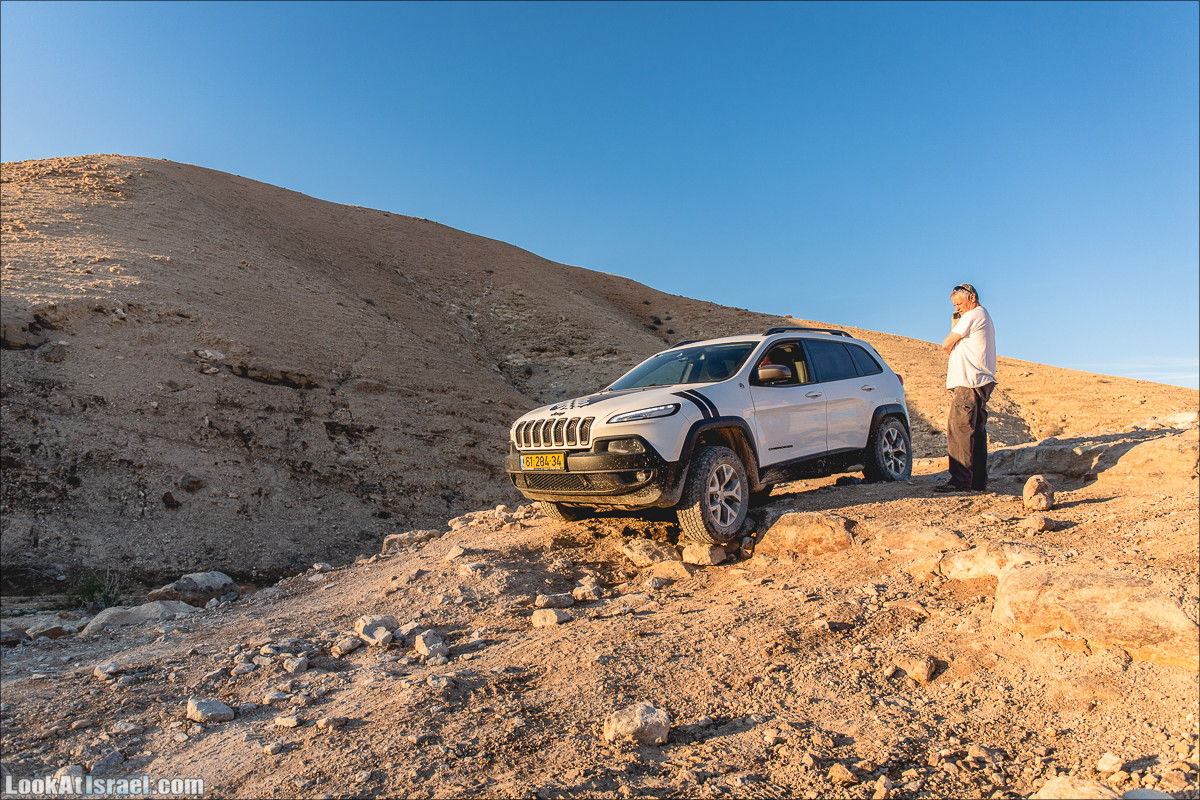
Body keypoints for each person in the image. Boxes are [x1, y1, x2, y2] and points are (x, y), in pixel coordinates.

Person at [936, 283, 996, 492]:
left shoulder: (972, 315)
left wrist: (953, 331)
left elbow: (947, 343)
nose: (957, 309)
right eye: (954, 305)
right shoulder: (982, 315)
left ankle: (960, 481)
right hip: (980, 381)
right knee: (975, 432)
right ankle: (977, 481)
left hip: (968, 382)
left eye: (959, 304)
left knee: (959, 430)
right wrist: (956, 323)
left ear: (971, 298)